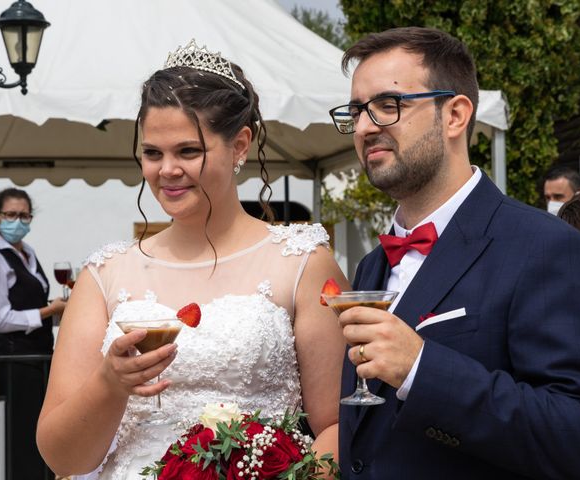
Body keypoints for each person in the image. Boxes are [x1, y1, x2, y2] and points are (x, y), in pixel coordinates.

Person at [36, 39, 347, 479]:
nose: (167, 171)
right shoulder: (104, 275)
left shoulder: (301, 262)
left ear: (240, 145)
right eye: (152, 153)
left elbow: (336, 424)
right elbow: (62, 458)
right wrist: (111, 383)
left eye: (188, 151)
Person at [327, 27, 580, 479]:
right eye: (356, 112)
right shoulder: (371, 264)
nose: (365, 127)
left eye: (388, 106)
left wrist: (421, 369)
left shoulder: (544, 246)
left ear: (455, 116)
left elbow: (571, 434)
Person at [0, 187, 67, 479]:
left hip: (40, 357)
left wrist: (60, 312)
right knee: (22, 437)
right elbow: (1, 319)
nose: (18, 221)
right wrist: (49, 311)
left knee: (41, 434)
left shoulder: (27, 253)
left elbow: (31, 305)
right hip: (16, 361)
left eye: (24, 215)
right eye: (11, 215)